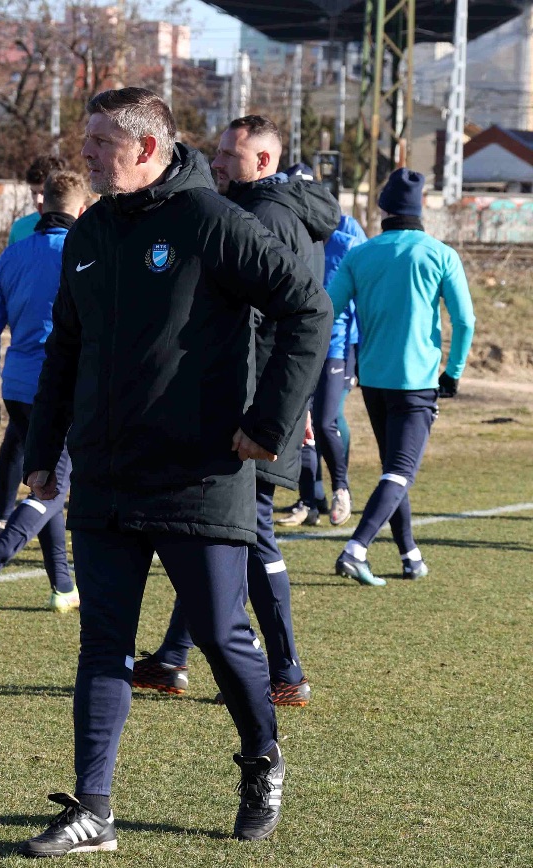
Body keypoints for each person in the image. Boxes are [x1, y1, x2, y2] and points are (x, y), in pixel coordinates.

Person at [16, 89, 331, 856]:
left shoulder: (211, 221)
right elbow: (65, 348)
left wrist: (268, 423)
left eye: (100, 141)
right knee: (103, 644)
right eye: (87, 139)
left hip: (200, 474)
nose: (85, 153)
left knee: (221, 636)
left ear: (147, 149)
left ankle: (262, 759)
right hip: (106, 474)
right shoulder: (89, 231)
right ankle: (94, 810)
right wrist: (42, 451)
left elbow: (307, 310)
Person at [131, 119, 339, 709]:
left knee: (249, 534)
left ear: (264, 162)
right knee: (215, 530)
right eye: (218, 152)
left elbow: (270, 322)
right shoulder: (276, 210)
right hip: (265, 401)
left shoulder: (262, 217)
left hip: (253, 407)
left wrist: (270, 409)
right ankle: (173, 657)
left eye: (230, 154)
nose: (217, 162)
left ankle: (286, 671)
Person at [329, 168, 475, 586]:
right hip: (417, 382)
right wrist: (453, 373)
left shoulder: (360, 254)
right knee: (399, 471)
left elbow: (328, 308)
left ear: (382, 208)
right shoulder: (440, 254)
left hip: (373, 379)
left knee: (393, 469)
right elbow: (465, 321)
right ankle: (356, 549)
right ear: (421, 207)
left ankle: (410, 555)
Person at [0, 170, 90, 619]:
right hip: (62, 387)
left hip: (16, 386)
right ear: (83, 210)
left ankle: (63, 586)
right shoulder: (84, 253)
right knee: (54, 486)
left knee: (43, 480)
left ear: (42, 207)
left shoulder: (12, 255)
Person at [282, 211, 366, 527]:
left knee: (326, 420)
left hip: (338, 349)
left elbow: (360, 303)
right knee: (303, 424)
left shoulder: (349, 244)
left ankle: (341, 489)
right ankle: (310, 499)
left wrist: (358, 355)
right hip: (303, 347)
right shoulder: (295, 242)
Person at [5, 155, 68, 248]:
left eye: (43, 192)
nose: (38, 199)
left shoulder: (77, 228)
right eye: (34, 193)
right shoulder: (19, 228)